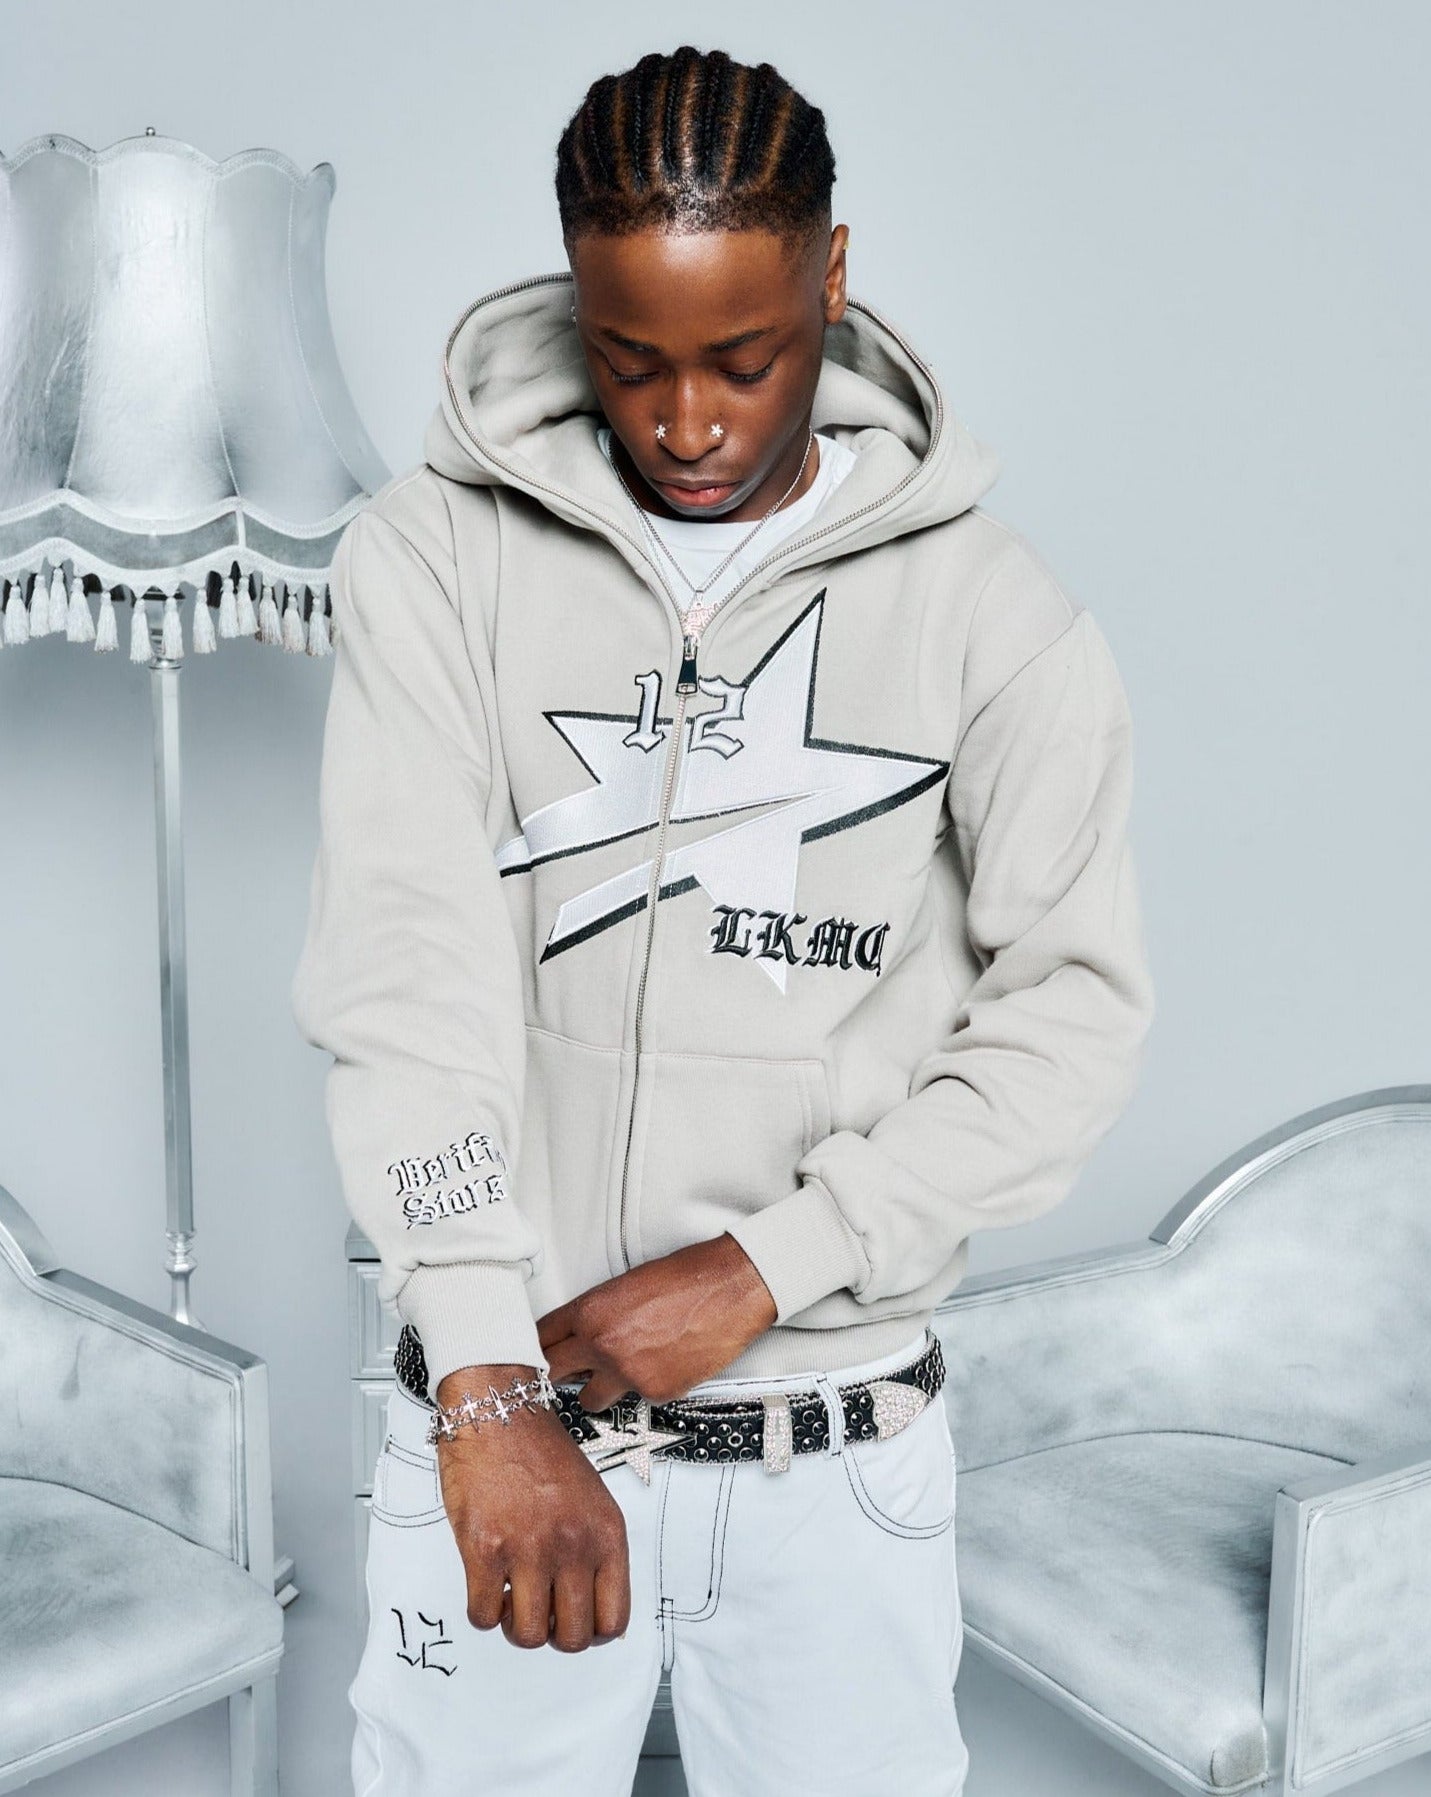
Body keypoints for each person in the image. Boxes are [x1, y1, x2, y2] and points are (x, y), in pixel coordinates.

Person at [290, 42, 1155, 1797]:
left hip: (829, 1464)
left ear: (831, 276)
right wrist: (485, 1377)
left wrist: (772, 1262)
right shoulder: (433, 560)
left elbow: (1071, 1019)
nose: (688, 422)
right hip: (508, 1420)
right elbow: (406, 976)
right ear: (577, 305)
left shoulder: (993, 616)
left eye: (744, 362)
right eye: (633, 360)